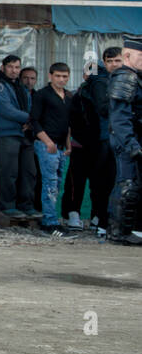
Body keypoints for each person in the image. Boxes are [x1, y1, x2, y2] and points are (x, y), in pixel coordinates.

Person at [65, 47, 122, 233]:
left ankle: (94, 218)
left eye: (117, 61)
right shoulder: (99, 84)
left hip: (92, 142)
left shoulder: (98, 85)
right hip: (93, 142)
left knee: (94, 182)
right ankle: (95, 219)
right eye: (110, 61)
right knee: (95, 182)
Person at [107, 35, 142, 245]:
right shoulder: (125, 77)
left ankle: (127, 230)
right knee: (126, 185)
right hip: (126, 139)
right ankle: (118, 232)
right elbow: (119, 117)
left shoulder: (135, 76)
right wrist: (131, 144)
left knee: (132, 185)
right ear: (127, 55)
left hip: (132, 138)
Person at [30, 63, 72, 232]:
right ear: (50, 76)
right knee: (50, 184)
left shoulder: (68, 97)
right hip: (47, 145)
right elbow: (34, 121)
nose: (61, 79)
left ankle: (53, 218)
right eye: (58, 76)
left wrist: (68, 145)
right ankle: (49, 221)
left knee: (57, 185)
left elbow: (68, 123)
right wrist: (47, 142)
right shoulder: (42, 95)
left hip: (62, 147)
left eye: (64, 76)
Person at [0, 55, 39, 218]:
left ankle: (26, 205)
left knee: (29, 171)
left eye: (17, 67)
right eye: (10, 67)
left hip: (24, 134)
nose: (14, 70)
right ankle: (8, 206)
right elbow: (6, 109)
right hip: (7, 134)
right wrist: (29, 118)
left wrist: (29, 122)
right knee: (9, 171)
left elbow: (29, 106)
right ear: (3, 68)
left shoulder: (21, 87)